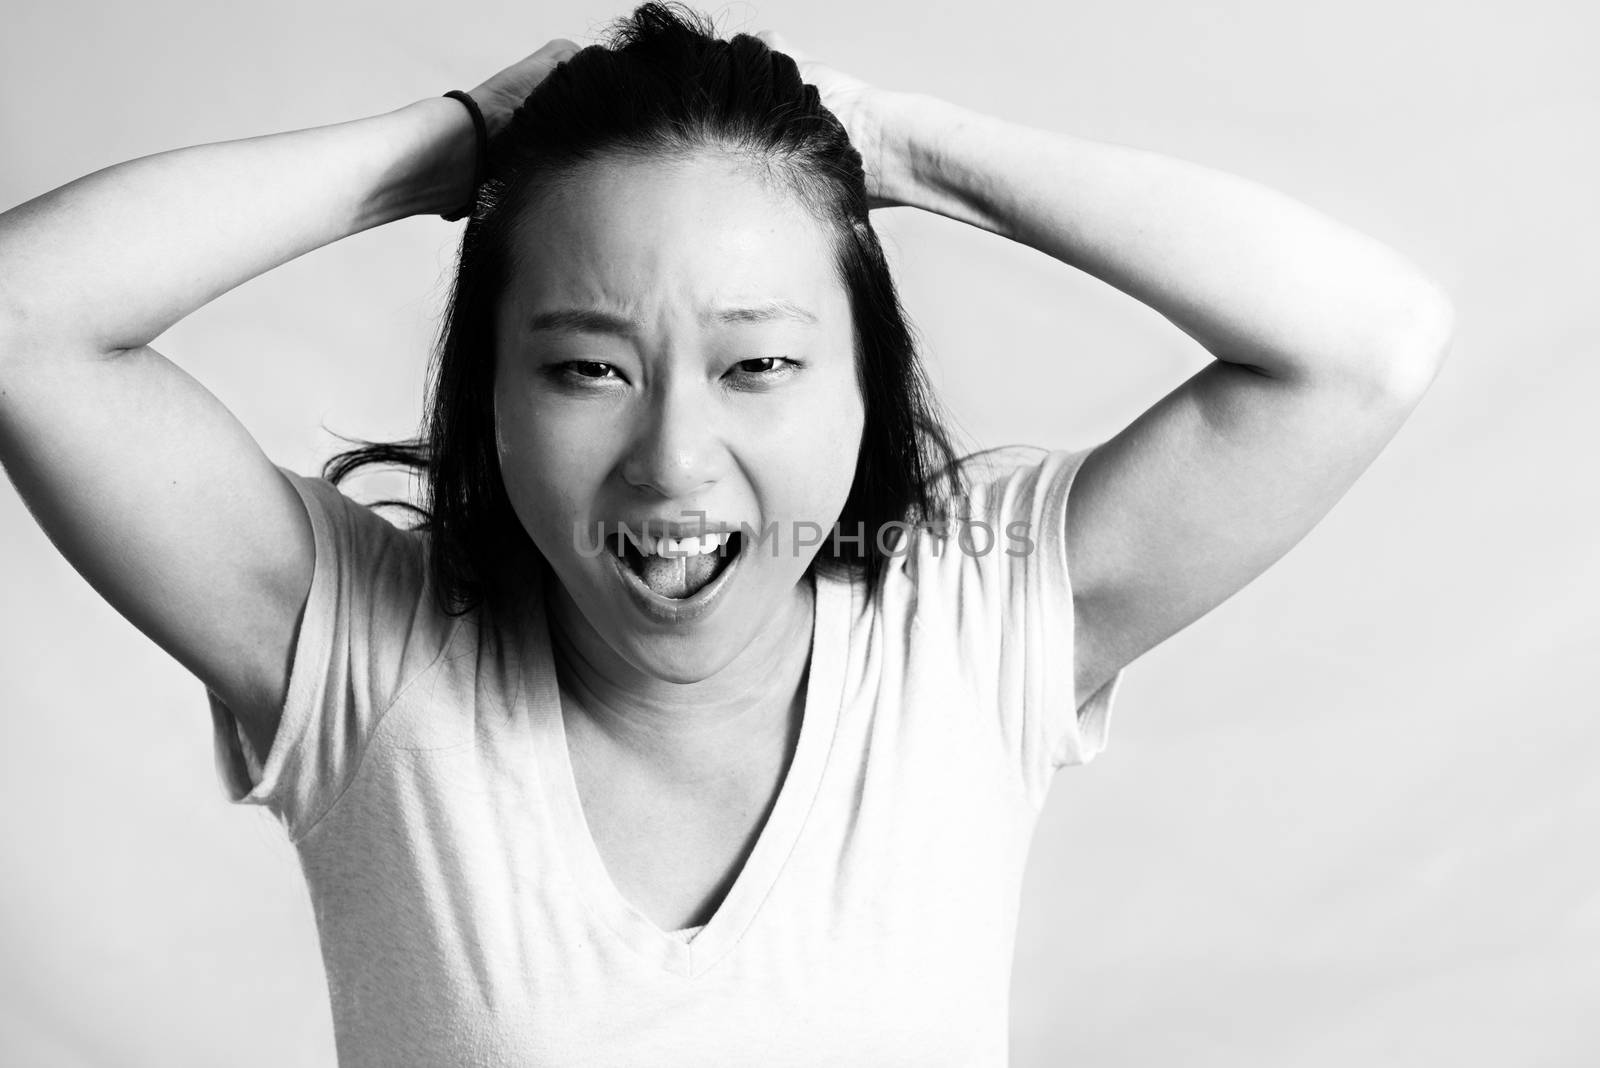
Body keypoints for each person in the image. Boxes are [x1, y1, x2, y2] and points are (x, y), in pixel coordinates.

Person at [0, 3, 1454, 1064]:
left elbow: (1368, 342)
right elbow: (20, 322)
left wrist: (892, 145)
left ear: (865, 382)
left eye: (759, 363)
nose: (674, 460)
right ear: (486, 391)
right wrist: (460, 144)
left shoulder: (976, 631)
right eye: (587, 368)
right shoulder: (362, 661)